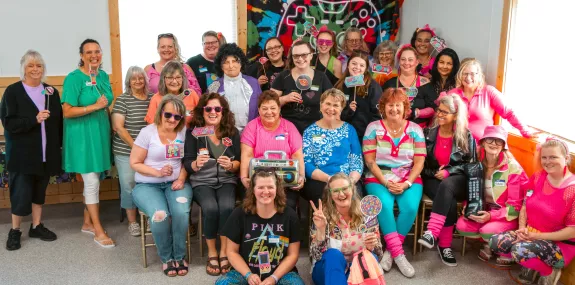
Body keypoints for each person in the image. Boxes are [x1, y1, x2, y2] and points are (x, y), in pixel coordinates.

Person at [489, 138, 575, 285]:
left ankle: (548, 271)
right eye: (544, 157)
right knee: (496, 242)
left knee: (519, 250)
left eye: (553, 157)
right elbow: (524, 206)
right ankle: (532, 262)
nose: (547, 162)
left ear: (566, 158)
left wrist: (535, 236)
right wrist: (522, 228)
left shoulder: (572, 190)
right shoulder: (537, 177)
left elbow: (572, 232)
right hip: (531, 233)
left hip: (560, 244)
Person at [1, 50, 62, 250]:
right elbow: (8, 123)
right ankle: (15, 230)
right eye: (31, 65)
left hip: (45, 154)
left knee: (39, 192)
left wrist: (58, 146)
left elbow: (58, 122)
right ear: (23, 69)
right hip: (22, 155)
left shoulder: (51, 91)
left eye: (39, 65)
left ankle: (36, 226)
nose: (35, 69)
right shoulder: (13, 91)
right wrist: (33, 120)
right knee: (20, 193)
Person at [363, 88, 426, 278]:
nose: (394, 109)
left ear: (405, 107)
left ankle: (391, 252)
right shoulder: (373, 127)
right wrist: (386, 182)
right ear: (383, 107)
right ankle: (400, 255)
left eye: (398, 105)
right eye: (390, 105)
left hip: (409, 177)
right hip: (378, 176)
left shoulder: (416, 129)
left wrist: (407, 183)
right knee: (384, 206)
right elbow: (370, 161)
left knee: (409, 207)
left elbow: (420, 162)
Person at [130, 95, 193, 277]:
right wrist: (157, 173)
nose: (172, 120)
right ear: (160, 113)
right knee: (161, 215)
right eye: (168, 115)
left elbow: (186, 161)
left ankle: (179, 256)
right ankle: (167, 258)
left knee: (181, 212)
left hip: (175, 182)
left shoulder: (183, 132)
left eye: (177, 116)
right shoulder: (147, 132)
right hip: (147, 185)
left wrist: (181, 178)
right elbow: (134, 162)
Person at [61, 39, 115, 248]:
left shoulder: (102, 76)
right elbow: (67, 111)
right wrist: (93, 107)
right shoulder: (73, 79)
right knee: (91, 182)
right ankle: (98, 231)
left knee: (96, 179)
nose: (94, 55)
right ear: (82, 56)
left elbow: (106, 103)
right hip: (82, 137)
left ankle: (86, 223)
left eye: (97, 51)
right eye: (89, 52)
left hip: (100, 134)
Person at [183, 93, 240, 276]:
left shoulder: (231, 131)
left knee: (226, 206)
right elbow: (187, 162)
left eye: (217, 108)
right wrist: (196, 164)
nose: (213, 112)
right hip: (202, 181)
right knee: (210, 208)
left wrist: (231, 165)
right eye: (208, 109)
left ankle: (224, 251)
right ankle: (212, 252)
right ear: (202, 111)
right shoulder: (195, 131)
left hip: (226, 180)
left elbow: (239, 161)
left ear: (223, 112)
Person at [456, 125, 529, 266]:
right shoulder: (477, 164)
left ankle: (504, 247)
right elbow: (472, 190)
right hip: (486, 209)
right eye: (490, 139)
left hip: (507, 215)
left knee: (487, 230)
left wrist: (491, 216)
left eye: (498, 141)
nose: (494, 144)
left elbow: (515, 207)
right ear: (483, 142)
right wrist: (468, 206)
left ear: (503, 146)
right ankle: (491, 242)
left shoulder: (513, 168)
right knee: (462, 226)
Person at [216, 171, 305, 285]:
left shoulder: (290, 215)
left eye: (270, 187)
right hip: (245, 271)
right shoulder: (239, 213)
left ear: (277, 189)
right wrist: (248, 275)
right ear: (253, 190)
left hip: (281, 272)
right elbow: (232, 252)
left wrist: (274, 278)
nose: (266, 191)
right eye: (261, 187)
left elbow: (293, 255)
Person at [416, 94, 475, 266]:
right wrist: (434, 172)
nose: (439, 114)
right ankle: (444, 246)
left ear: (456, 115)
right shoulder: (427, 133)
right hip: (432, 178)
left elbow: (471, 165)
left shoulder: (466, 136)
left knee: (447, 185)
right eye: (438, 110)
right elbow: (420, 164)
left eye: (445, 112)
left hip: (458, 180)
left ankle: (432, 232)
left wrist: (449, 171)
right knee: (445, 193)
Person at [310, 173, 384, 285]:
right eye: (335, 191)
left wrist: (371, 247)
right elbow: (315, 257)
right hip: (328, 271)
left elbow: (378, 255)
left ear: (353, 189)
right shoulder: (322, 215)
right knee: (333, 254)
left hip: (357, 271)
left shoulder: (367, 213)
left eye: (345, 189)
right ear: (330, 194)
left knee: (366, 257)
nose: (341, 194)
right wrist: (320, 231)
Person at [240, 91, 305, 210]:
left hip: (285, 182)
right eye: (264, 108)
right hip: (259, 181)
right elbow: (247, 154)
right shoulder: (252, 127)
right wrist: (244, 178)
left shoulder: (289, 127)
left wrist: (301, 176)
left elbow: (297, 154)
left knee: (287, 205)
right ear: (259, 110)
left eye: (273, 108)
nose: (269, 112)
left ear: (279, 109)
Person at [446, 59, 533, 141]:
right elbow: (442, 114)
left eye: (472, 74)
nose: (468, 77)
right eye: (465, 74)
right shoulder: (453, 94)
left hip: (482, 147)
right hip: (455, 146)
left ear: (479, 75)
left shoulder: (489, 92)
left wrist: (525, 131)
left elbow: (509, 113)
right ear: (460, 75)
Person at [302, 89, 363, 205]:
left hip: (348, 180)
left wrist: (349, 181)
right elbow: (306, 164)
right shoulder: (309, 131)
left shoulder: (349, 129)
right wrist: (330, 179)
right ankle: (326, 223)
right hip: (320, 181)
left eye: (336, 105)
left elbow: (357, 161)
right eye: (328, 104)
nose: (331, 109)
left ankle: (350, 224)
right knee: (330, 197)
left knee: (353, 196)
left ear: (341, 108)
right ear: (321, 105)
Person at [111, 66, 152, 236]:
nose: (137, 81)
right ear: (128, 81)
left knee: (149, 185)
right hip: (125, 151)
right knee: (129, 185)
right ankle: (133, 222)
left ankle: (150, 218)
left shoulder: (152, 98)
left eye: (140, 78)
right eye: (133, 78)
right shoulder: (123, 100)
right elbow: (118, 127)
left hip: (150, 151)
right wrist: (136, 147)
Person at [271, 41, 332, 134]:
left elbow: (332, 101)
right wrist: (285, 99)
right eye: (296, 56)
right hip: (287, 129)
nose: (300, 59)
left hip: (314, 129)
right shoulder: (283, 76)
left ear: (311, 55)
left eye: (304, 55)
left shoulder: (321, 77)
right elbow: (269, 103)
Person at [207, 43, 261, 132]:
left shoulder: (253, 83)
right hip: (223, 134)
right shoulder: (214, 87)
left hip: (251, 134)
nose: (231, 66)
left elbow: (260, 109)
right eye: (226, 62)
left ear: (241, 63)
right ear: (221, 66)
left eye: (234, 61)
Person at [382, 44, 437, 128]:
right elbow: (381, 107)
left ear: (417, 62)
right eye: (403, 59)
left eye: (410, 60)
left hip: (418, 131)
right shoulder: (390, 84)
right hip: (393, 129)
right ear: (399, 61)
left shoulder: (425, 83)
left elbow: (433, 108)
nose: (406, 63)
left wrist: (416, 112)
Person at [336, 51, 383, 139]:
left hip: (365, 136)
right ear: (348, 64)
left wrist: (369, 134)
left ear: (365, 69)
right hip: (342, 135)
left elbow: (378, 114)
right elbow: (334, 111)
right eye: (354, 63)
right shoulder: (340, 85)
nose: (357, 67)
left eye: (362, 65)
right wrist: (348, 111)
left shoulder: (373, 86)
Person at [145, 61, 199, 128]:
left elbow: (202, 119)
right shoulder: (156, 98)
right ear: (163, 79)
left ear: (183, 78)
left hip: (189, 137)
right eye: (170, 77)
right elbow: (151, 127)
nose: (174, 81)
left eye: (178, 77)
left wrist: (197, 116)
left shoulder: (191, 94)